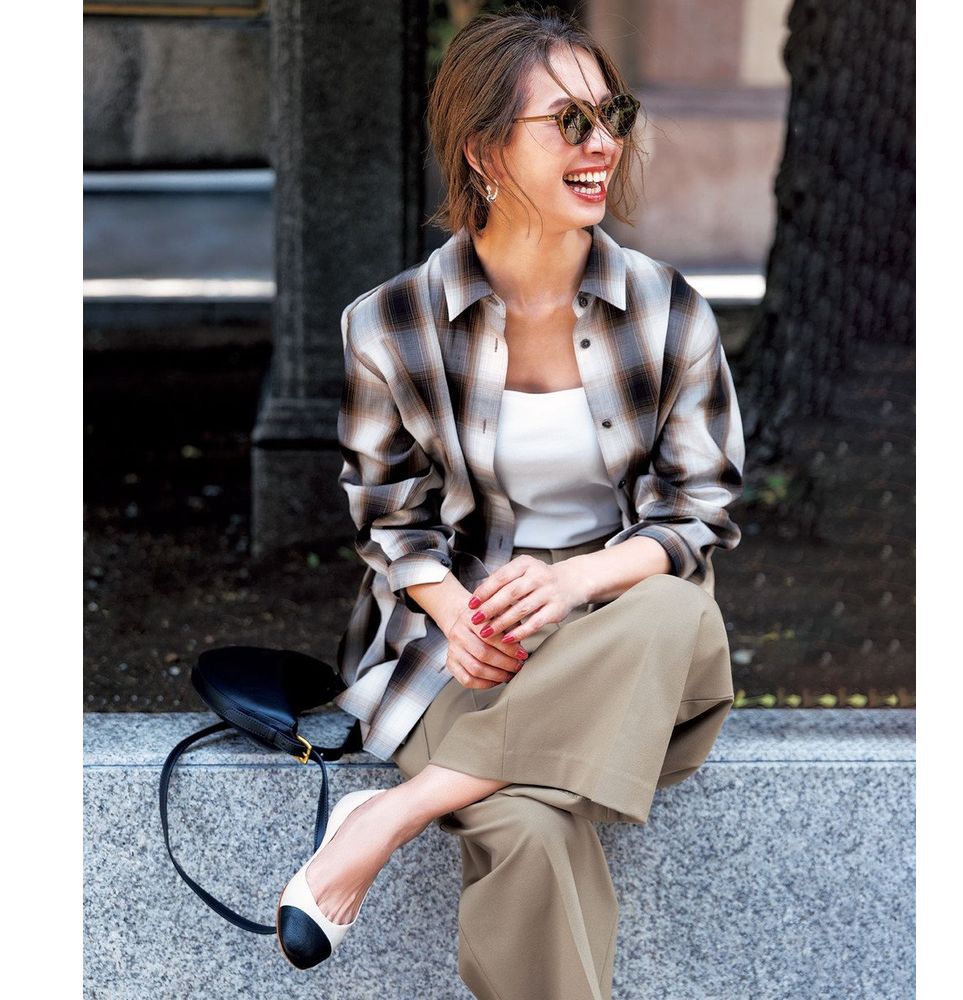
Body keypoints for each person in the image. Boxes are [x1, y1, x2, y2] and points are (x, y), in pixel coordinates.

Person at [275, 6, 745, 998]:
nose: (602, 142)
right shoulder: (389, 324)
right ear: (485, 151)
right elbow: (389, 517)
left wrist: (573, 585)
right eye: (568, 121)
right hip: (462, 653)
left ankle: (387, 819)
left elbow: (696, 512)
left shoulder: (670, 313)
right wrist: (461, 618)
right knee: (527, 824)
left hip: (634, 649)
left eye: (612, 114)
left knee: (672, 606)